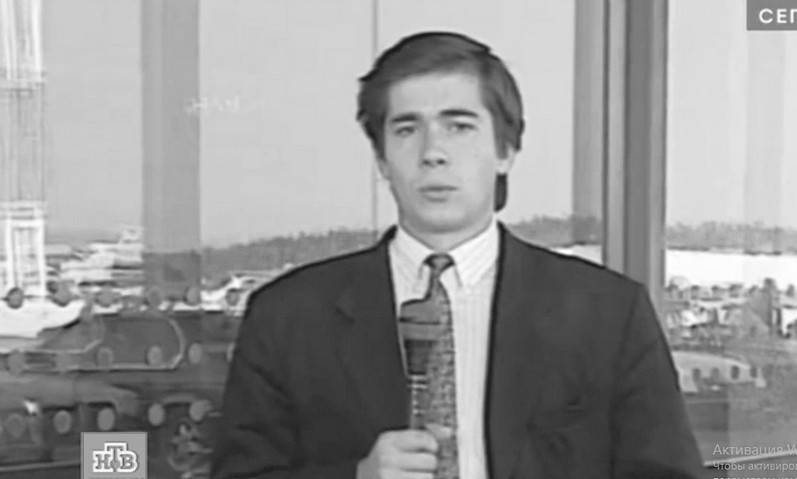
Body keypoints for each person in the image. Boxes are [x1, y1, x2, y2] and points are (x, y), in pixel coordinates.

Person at [211, 31, 704, 479]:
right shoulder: (289, 315)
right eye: (407, 130)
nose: (433, 152)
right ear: (381, 159)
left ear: (506, 150)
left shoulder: (607, 314)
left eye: (459, 127)